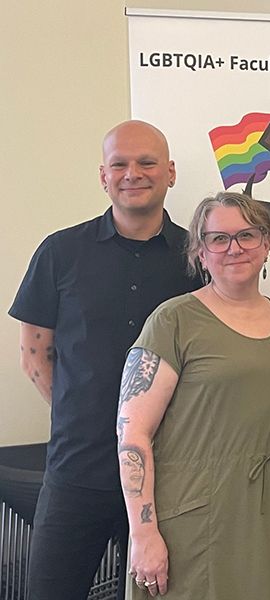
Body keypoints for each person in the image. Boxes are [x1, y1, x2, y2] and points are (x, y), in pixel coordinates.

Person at [8, 120, 201, 600]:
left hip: (171, 472)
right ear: (103, 175)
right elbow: (35, 353)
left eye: (147, 162)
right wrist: (82, 414)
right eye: (120, 164)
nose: (132, 173)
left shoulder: (198, 259)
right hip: (78, 470)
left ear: (171, 173)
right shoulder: (60, 251)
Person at [116, 192, 270, 599]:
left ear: (266, 244)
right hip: (194, 517)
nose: (234, 248)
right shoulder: (172, 321)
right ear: (200, 252)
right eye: (219, 238)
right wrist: (144, 532)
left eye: (247, 235)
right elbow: (132, 434)